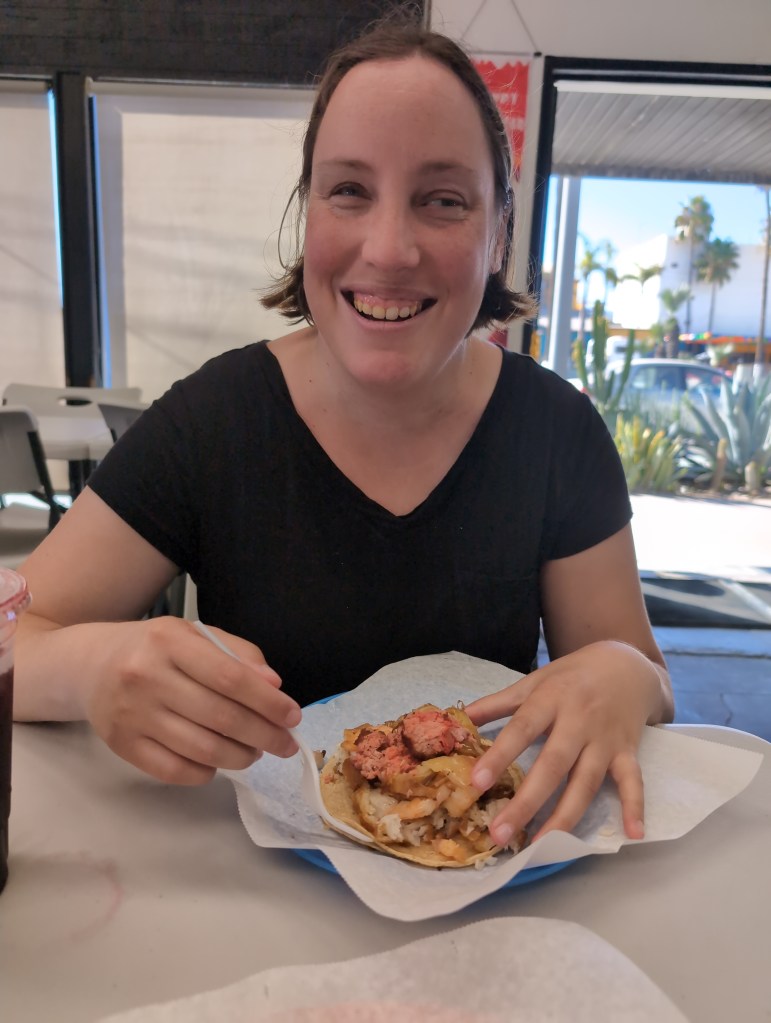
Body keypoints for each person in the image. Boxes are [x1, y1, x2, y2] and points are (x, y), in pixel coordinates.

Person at [13, 19, 673, 851]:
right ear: (306, 216)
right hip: (245, 898)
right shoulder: (211, 420)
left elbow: (643, 674)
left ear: (499, 232)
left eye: (442, 199)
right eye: (349, 191)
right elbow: (12, 631)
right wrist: (90, 668)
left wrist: (624, 673)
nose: (388, 248)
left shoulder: (558, 432)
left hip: (490, 895)